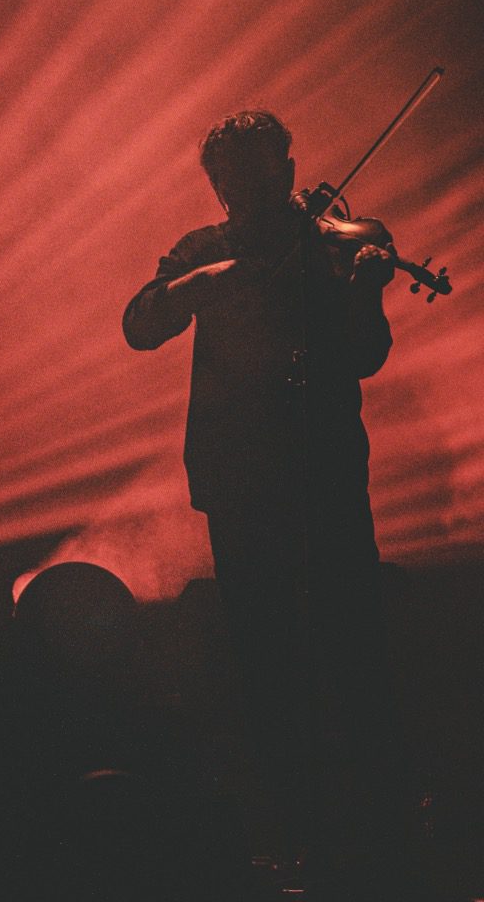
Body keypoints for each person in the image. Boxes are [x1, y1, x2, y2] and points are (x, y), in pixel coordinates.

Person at [122, 112, 411, 896]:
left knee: (354, 641)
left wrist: (365, 292)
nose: (245, 194)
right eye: (230, 182)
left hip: (324, 469)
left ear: (287, 166)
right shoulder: (203, 250)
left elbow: (366, 355)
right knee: (265, 660)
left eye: (260, 173)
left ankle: (381, 826)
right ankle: (294, 829)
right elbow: (138, 325)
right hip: (240, 478)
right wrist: (206, 282)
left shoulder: (340, 241)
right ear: (217, 184)